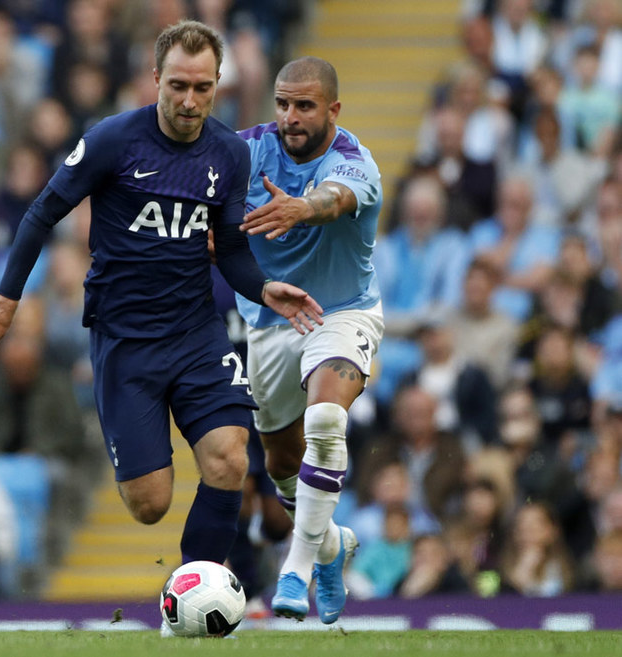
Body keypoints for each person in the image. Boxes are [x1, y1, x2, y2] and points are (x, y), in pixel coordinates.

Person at [0, 21, 322, 576]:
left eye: (203, 88)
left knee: (230, 457)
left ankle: (194, 589)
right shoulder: (113, 140)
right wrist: (6, 303)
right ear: (155, 78)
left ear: (218, 84)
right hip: (125, 341)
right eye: (178, 86)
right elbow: (40, 213)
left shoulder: (230, 154)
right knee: (149, 505)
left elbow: (229, 250)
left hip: (195, 331)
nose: (189, 100)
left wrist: (261, 287)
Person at [236, 56, 385, 622]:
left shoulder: (355, 161)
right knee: (279, 463)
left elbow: (336, 201)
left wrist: (302, 208)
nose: (290, 117)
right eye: (282, 104)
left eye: (304, 105)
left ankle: (294, 570)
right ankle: (330, 546)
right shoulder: (246, 150)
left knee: (326, 421)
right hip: (270, 322)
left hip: (342, 314)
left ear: (333, 110)